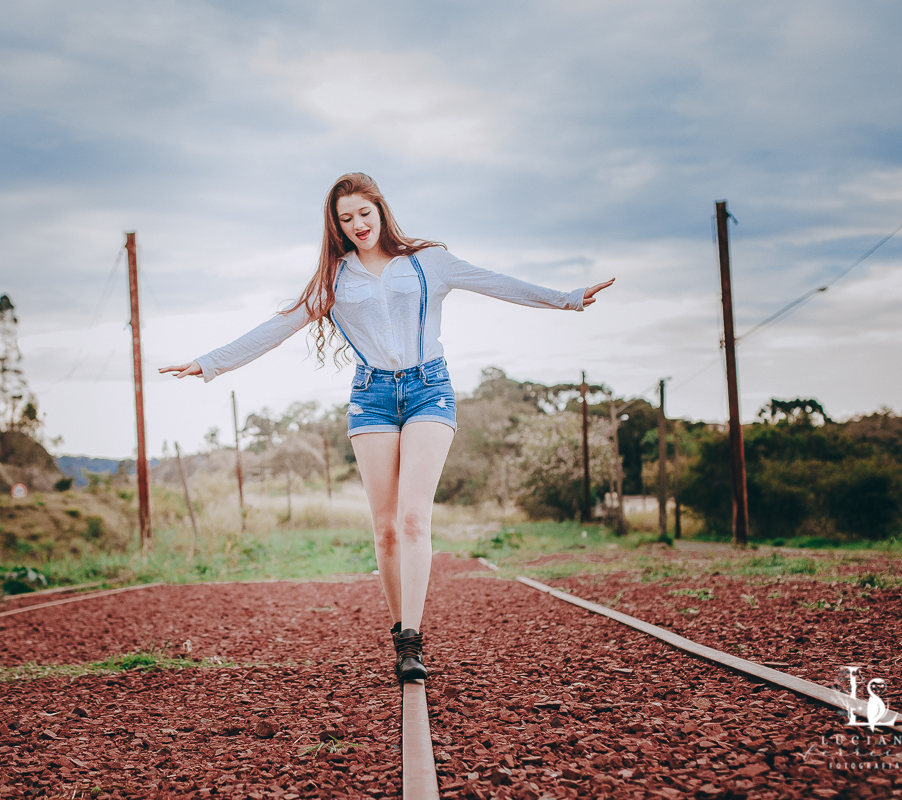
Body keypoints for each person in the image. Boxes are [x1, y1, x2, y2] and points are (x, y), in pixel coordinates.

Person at [160, 173, 613, 682]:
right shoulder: (334, 280)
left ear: (381, 210)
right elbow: (278, 325)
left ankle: (413, 641)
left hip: (429, 389)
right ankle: (400, 629)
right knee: (386, 528)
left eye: (364, 213)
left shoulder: (427, 262)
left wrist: (568, 298)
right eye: (345, 218)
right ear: (335, 225)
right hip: (371, 398)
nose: (357, 225)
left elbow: (497, 283)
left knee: (415, 518)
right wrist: (209, 362)